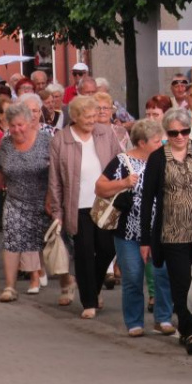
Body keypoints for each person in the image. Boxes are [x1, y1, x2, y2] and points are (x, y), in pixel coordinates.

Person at [141, 107, 192, 354]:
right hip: (172, 233)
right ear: (167, 133)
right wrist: (145, 239)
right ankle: (189, 330)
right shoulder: (158, 158)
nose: (180, 137)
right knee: (182, 283)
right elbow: (147, 199)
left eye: (184, 131)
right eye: (174, 133)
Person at [94, 119, 176, 338]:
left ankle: (163, 318)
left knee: (162, 274)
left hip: (159, 230)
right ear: (141, 142)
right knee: (132, 276)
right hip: (128, 232)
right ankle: (134, 321)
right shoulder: (121, 162)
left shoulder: (165, 160)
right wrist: (123, 183)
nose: (162, 144)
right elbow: (100, 187)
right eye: (157, 141)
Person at [47, 95, 119, 317]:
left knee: (108, 249)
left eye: (94, 115)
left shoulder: (105, 133)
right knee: (85, 252)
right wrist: (58, 211)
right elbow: (55, 179)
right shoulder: (61, 139)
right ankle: (89, 302)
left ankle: (93, 288)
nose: (92, 120)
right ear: (75, 117)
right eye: (87, 116)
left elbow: (120, 161)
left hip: (105, 203)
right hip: (77, 205)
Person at [0, 102, 51, 301]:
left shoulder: (46, 141)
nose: (16, 129)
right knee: (12, 240)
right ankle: (10, 287)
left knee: (49, 243)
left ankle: (66, 281)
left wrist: (52, 198)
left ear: (30, 122)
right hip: (15, 200)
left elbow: (57, 171)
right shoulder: (6, 143)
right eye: (12, 125)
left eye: (20, 125)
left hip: (43, 200)